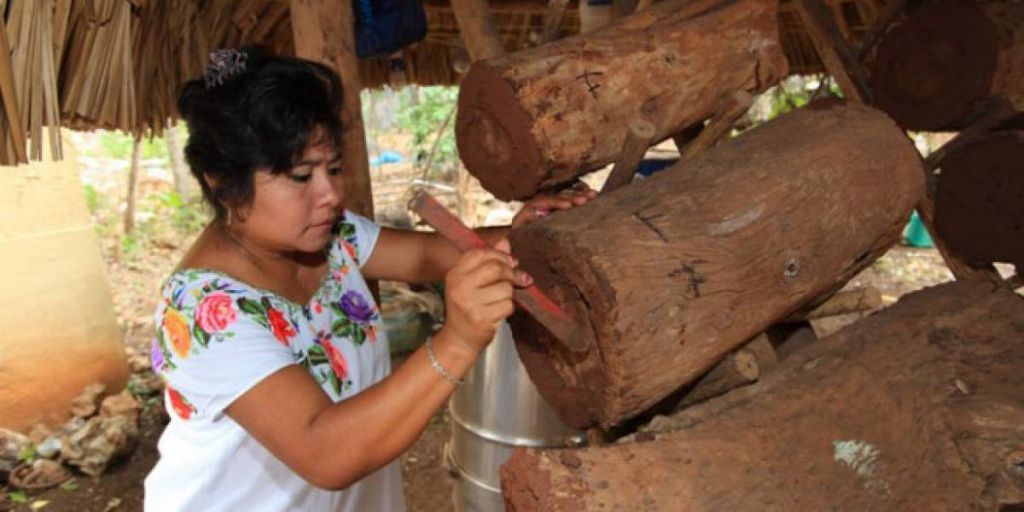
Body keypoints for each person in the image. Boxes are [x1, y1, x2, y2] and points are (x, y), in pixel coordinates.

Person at [143, 48, 596, 512]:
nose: (330, 194)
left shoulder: (329, 236)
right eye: (301, 176)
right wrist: (457, 340)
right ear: (221, 182)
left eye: (333, 168)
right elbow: (324, 451)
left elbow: (423, 255)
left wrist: (523, 233)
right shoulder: (204, 311)